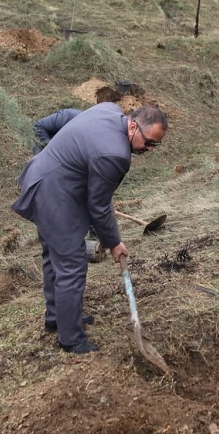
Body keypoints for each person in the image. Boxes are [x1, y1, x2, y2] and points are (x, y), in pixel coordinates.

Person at [12, 102, 168, 354]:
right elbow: (98, 206)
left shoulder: (108, 109)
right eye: (148, 142)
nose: (149, 149)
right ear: (132, 126)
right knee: (72, 265)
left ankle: (57, 317)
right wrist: (114, 242)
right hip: (54, 196)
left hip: (43, 180)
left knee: (54, 256)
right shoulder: (116, 155)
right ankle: (71, 338)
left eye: (155, 145)